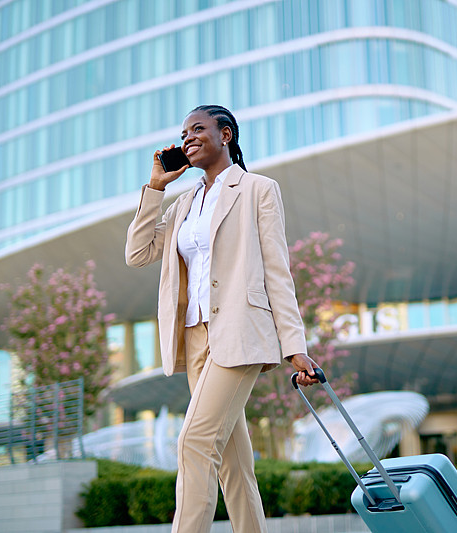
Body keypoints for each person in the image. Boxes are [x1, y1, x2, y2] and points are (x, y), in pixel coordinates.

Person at [125, 104, 319, 533]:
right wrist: (156, 187)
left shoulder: (257, 189)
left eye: (199, 129)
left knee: (194, 443)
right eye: (184, 132)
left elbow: (276, 270)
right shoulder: (182, 204)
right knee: (234, 463)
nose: (188, 137)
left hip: (239, 331)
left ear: (226, 135)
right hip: (194, 337)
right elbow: (137, 253)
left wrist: (295, 347)